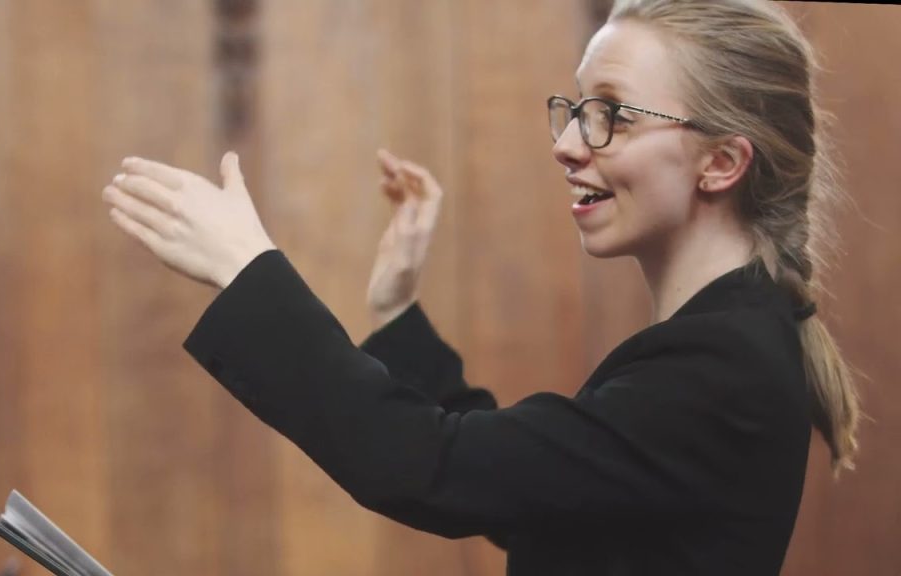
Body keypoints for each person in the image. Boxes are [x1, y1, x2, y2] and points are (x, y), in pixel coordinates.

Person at [101, 0, 861, 573]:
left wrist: (248, 272)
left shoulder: (721, 369)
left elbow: (436, 468)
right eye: (574, 110)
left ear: (722, 163)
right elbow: (521, 492)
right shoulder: (721, 348)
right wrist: (396, 310)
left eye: (612, 116)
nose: (566, 145)